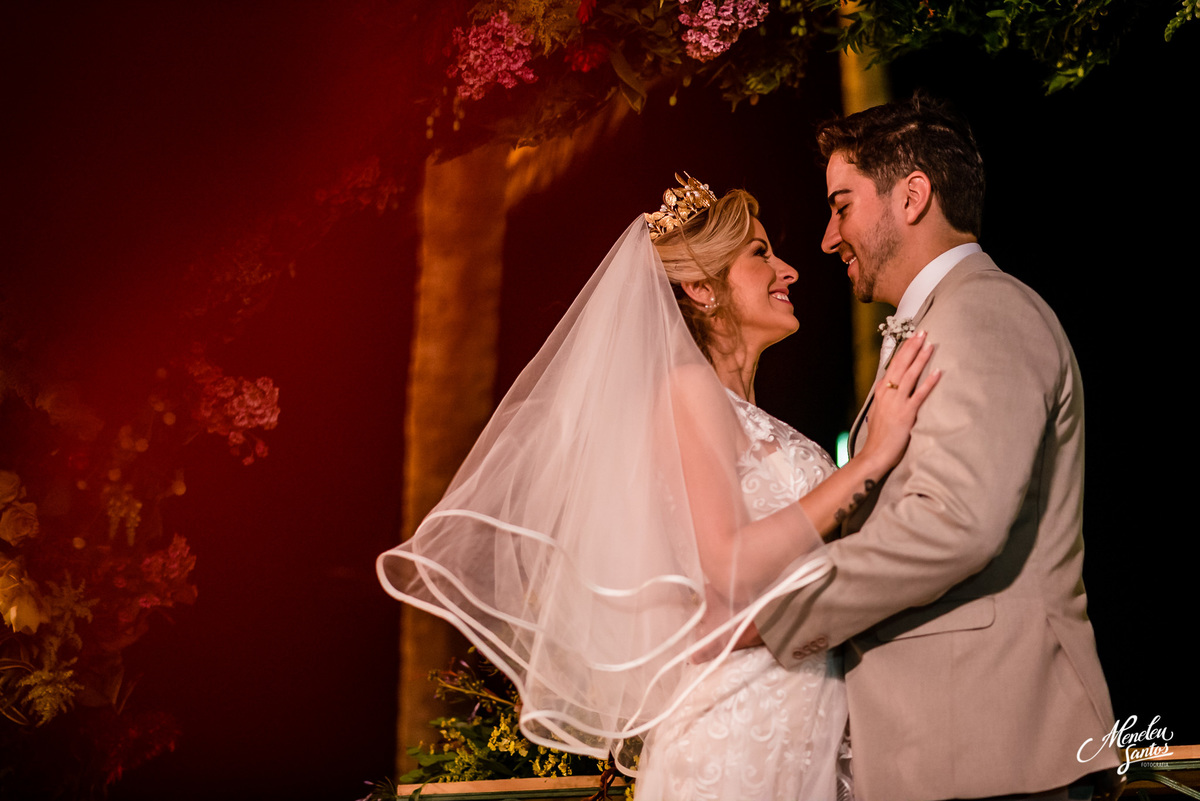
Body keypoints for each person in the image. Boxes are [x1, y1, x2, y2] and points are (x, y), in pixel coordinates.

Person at [378, 174, 938, 800]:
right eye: (760, 253)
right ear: (701, 288)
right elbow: (726, 562)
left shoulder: (743, 414)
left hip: (799, 722)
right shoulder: (687, 390)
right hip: (738, 730)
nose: (789, 270)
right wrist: (869, 462)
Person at [753, 95, 1120, 801]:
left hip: (996, 751)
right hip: (950, 751)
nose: (828, 239)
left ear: (913, 195)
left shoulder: (984, 310)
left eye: (842, 206)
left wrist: (775, 612)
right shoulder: (946, 317)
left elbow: (956, 521)